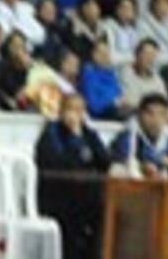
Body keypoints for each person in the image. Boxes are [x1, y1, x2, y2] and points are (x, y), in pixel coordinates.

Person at [34, 93, 110, 259]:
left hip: (83, 193)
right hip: (56, 194)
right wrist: (75, 139)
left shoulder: (89, 133)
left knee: (104, 212)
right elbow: (57, 161)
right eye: (70, 109)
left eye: (79, 110)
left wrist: (81, 137)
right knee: (76, 218)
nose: (74, 115)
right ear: (61, 111)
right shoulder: (51, 132)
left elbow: (104, 160)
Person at [109, 93, 168, 177]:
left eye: (161, 114)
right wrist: (154, 161)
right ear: (139, 114)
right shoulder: (128, 133)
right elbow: (126, 156)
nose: (155, 119)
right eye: (150, 113)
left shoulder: (166, 138)